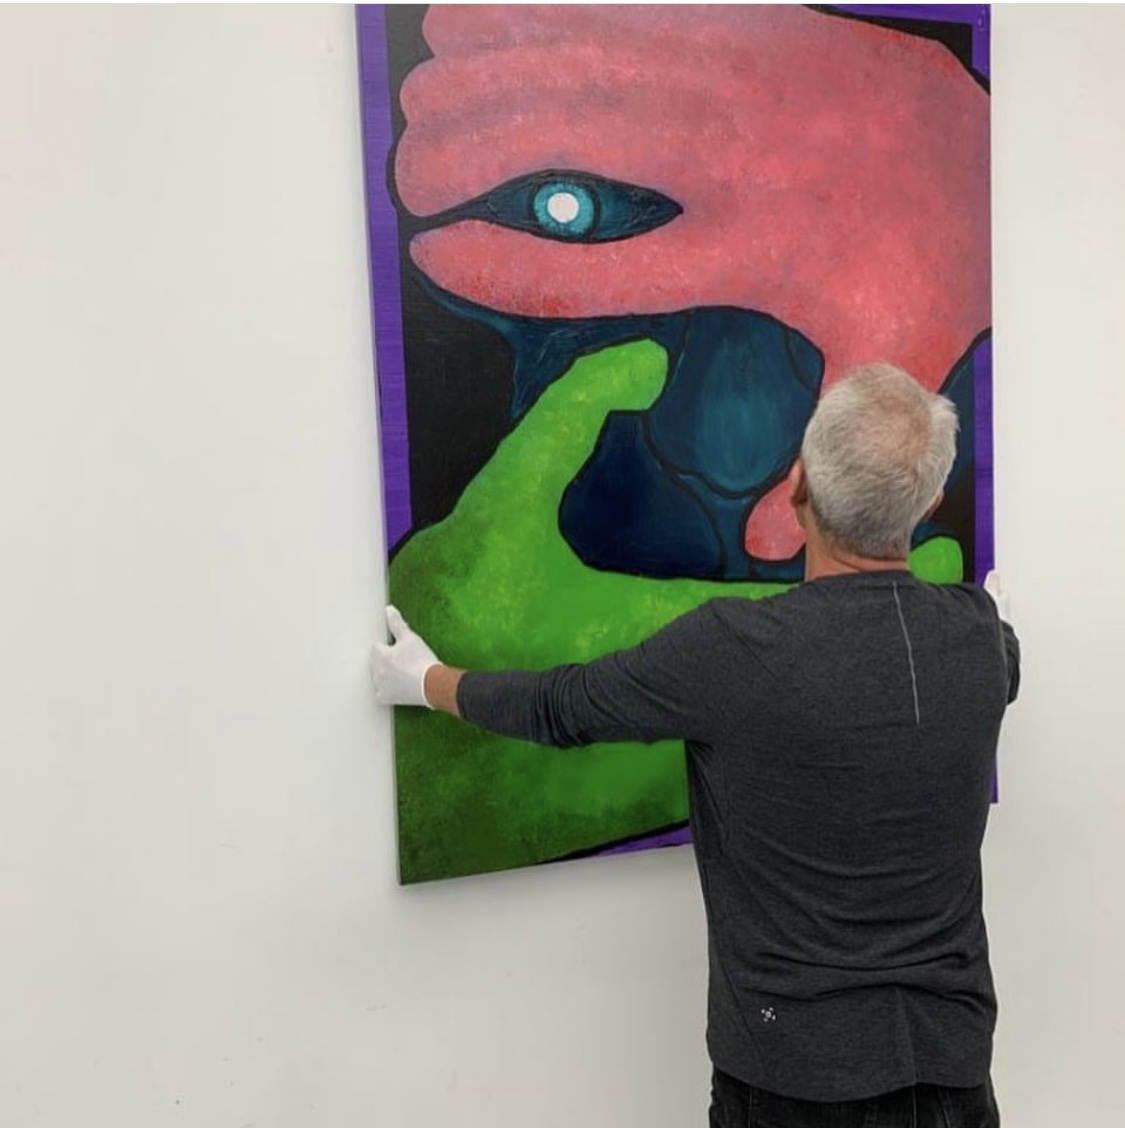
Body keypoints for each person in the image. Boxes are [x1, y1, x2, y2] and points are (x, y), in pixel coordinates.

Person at [370, 363, 1020, 1128]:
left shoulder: (731, 649)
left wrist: (427, 681)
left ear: (796, 483)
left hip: (791, 1084)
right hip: (952, 1074)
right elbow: (1003, 660)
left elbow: (561, 707)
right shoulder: (980, 638)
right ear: (928, 505)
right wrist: (989, 624)